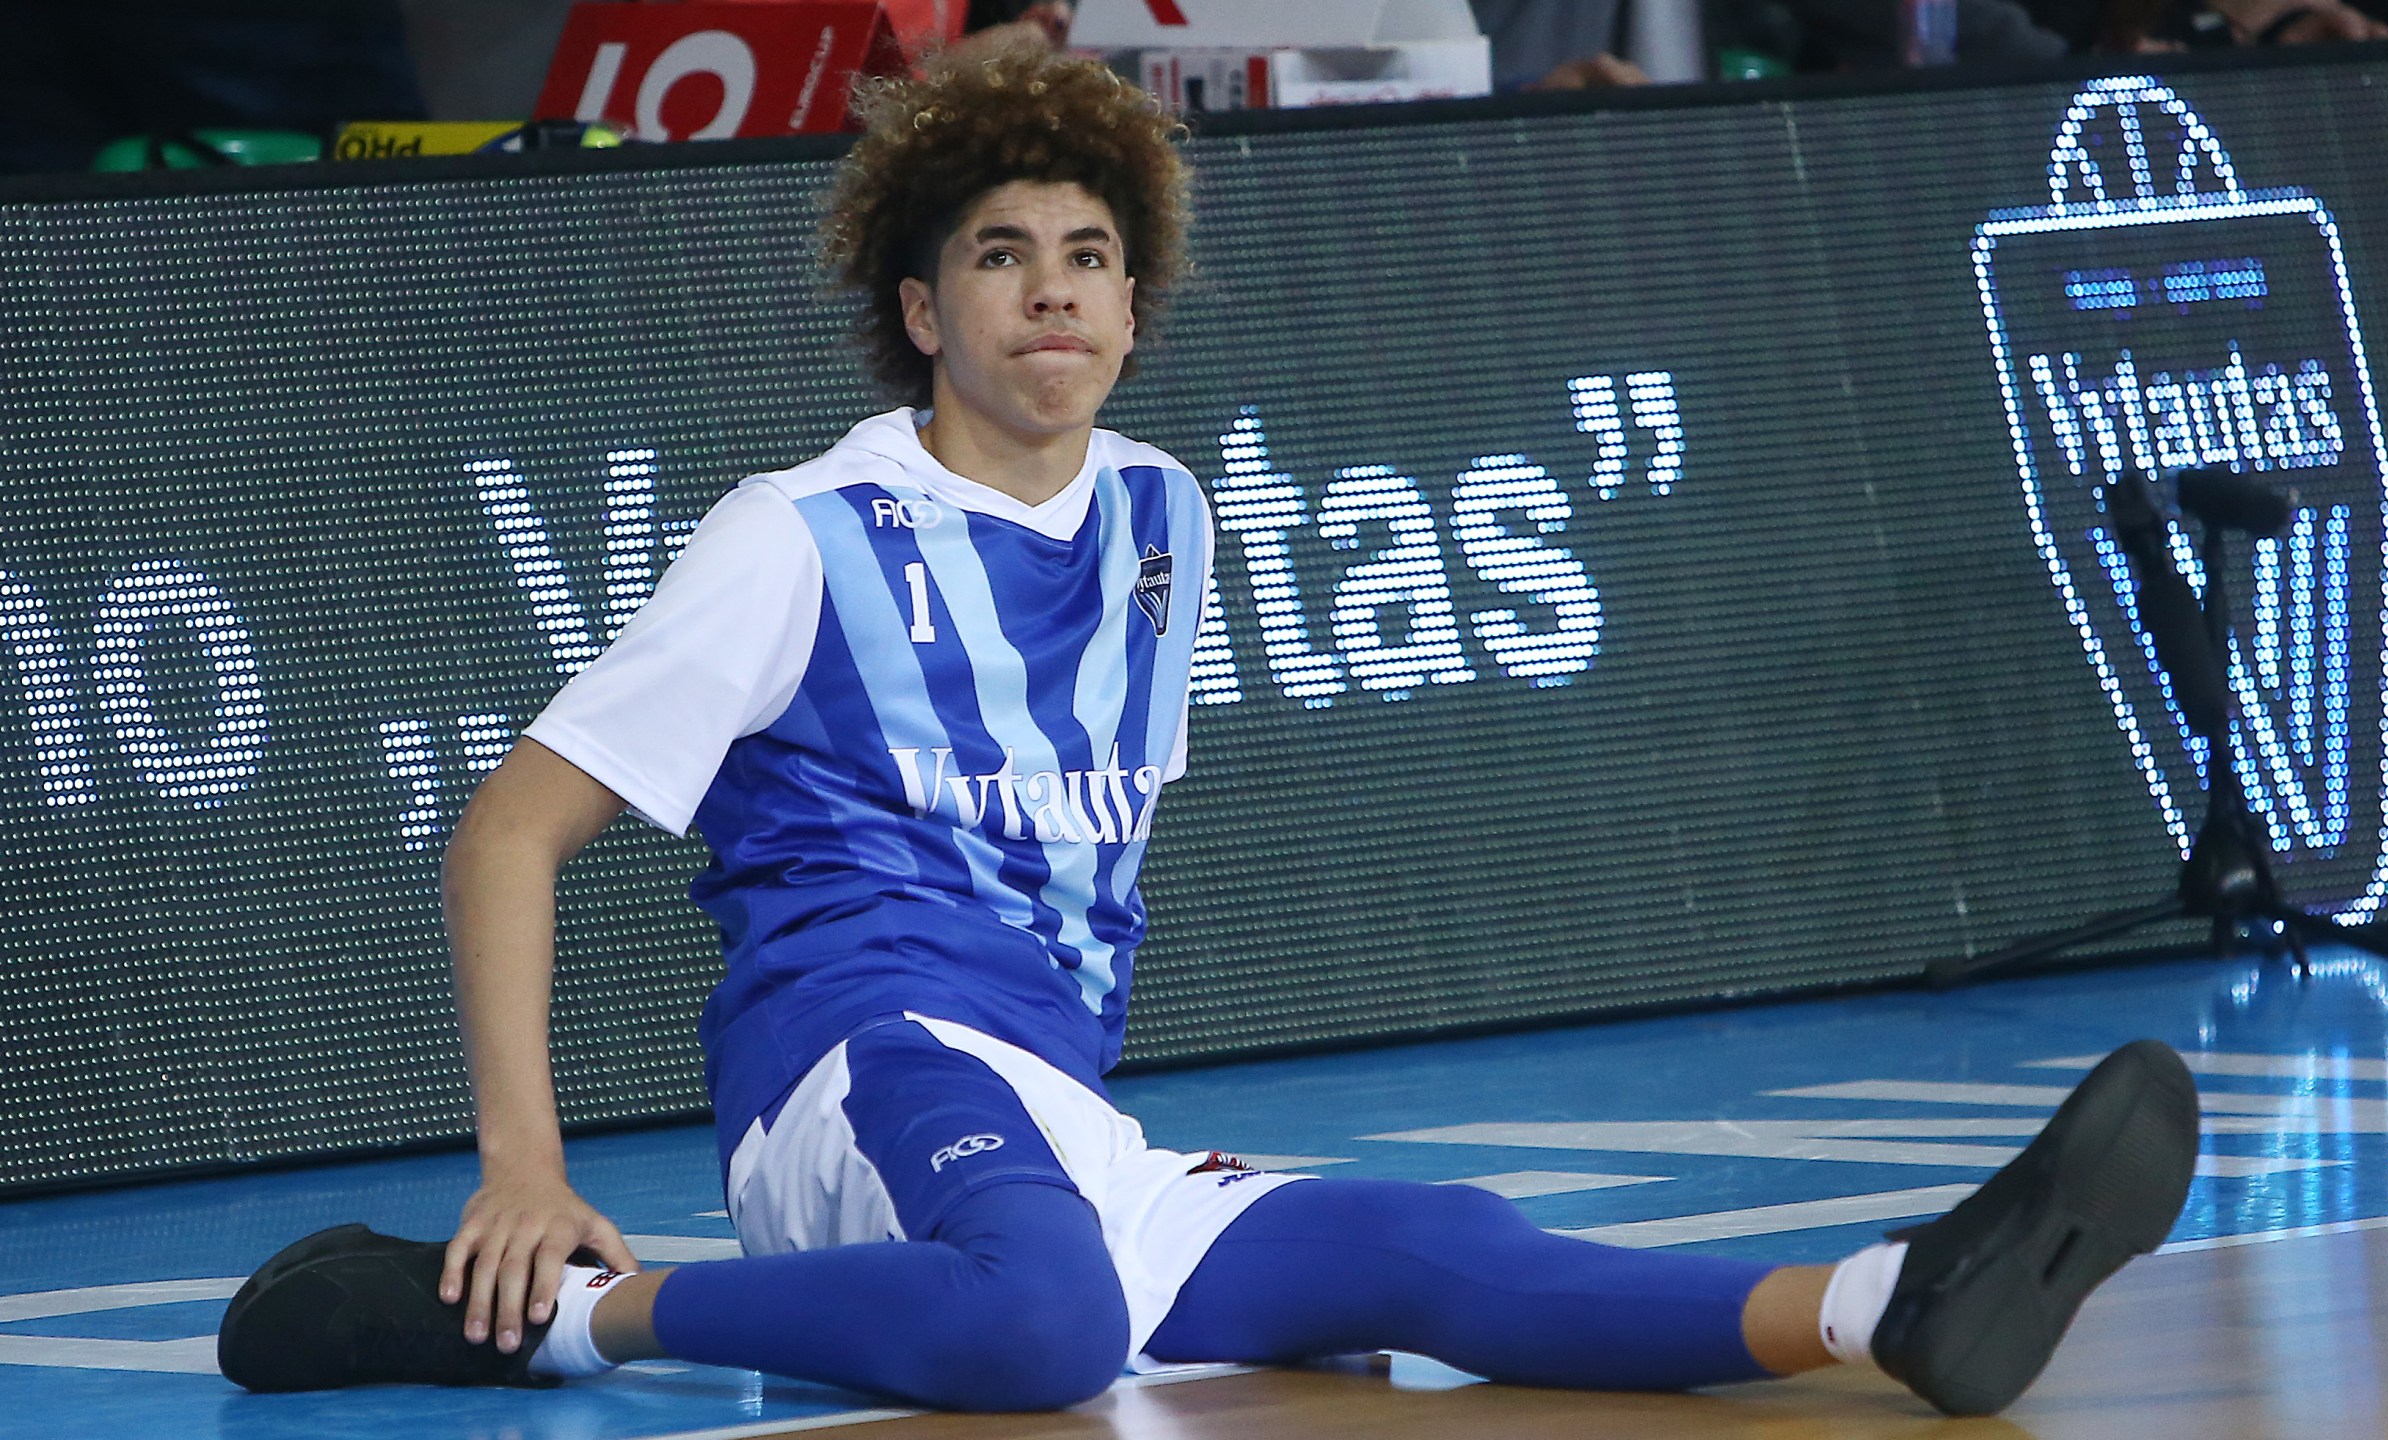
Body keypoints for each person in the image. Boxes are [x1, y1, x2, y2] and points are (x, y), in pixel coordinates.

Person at [216, 48, 2200, 1418]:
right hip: (856, 1074)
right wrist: (524, 1163)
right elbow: (506, 831)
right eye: (999, 256)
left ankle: (1882, 1302)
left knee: (1416, 1250)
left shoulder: (1167, 516)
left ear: (1133, 302)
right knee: (1051, 1322)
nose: (1051, 295)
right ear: (920, 309)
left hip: (1050, 1105)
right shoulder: (799, 537)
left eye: (1087, 257)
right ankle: (573, 1317)